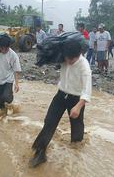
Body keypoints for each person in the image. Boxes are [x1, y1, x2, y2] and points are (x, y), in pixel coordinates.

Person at [29, 39, 92, 168]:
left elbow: (87, 91)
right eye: (67, 58)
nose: (69, 62)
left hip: (76, 99)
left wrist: (79, 106)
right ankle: (40, 151)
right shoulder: (63, 57)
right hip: (61, 94)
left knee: (77, 124)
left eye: (72, 60)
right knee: (49, 122)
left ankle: (76, 147)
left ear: (79, 54)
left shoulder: (84, 66)